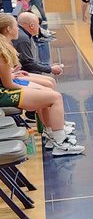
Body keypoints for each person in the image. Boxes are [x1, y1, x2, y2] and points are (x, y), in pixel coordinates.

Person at [0, 15, 83, 155]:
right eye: (15, 26)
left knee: (47, 92)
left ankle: (51, 134)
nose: (17, 29)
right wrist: (31, 88)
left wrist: (13, 75)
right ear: (8, 29)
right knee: (55, 97)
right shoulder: (2, 50)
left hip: (5, 88)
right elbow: (8, 84)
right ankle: (61, 144)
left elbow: (6, 78)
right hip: (3, 93)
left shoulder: (4, 46)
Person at [11, 11, 63, 78]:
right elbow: (28, 64)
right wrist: (50, 69)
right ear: (32, 26)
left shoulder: (22, 34)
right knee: (49, 81)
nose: (39, 27)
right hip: (17, 72)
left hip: (16, 70)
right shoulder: (23, 39)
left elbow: (28, 61)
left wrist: (47, 66)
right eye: (38, 24)